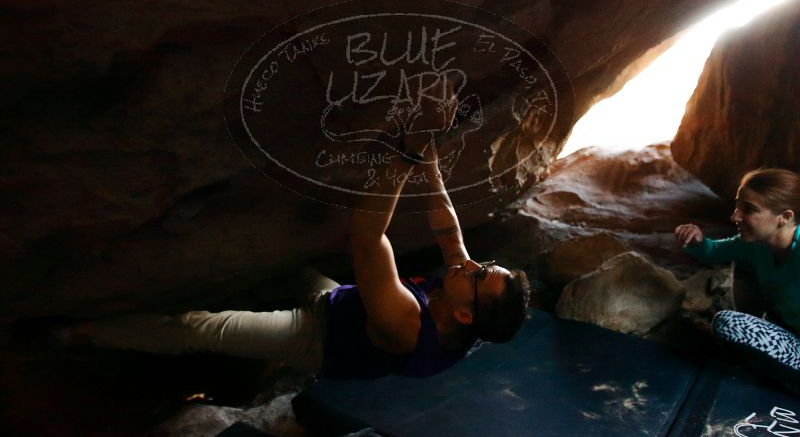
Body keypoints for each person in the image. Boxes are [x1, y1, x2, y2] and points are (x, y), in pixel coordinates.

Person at [68, 80, 531, 380]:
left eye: (476, 274)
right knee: (283, 267)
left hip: (316, 339)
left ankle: (78, 333)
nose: (468, 263)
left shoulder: (408, 326)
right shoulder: (463, 294)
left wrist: (408, 150)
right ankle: (257, 290)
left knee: (199, 328)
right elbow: (448, 230)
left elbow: (367, 236)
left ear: (464, 316)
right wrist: (429, 144)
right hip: (340, 299)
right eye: (484, 263)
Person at [675, 167, 800, 389]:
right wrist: (697, 241)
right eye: (737, 205)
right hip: (785, 329)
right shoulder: (757, 244)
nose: (735, 216)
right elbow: (714, 251)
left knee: (729, 325)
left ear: (785, 217)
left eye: (748, 209)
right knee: (742, 260)